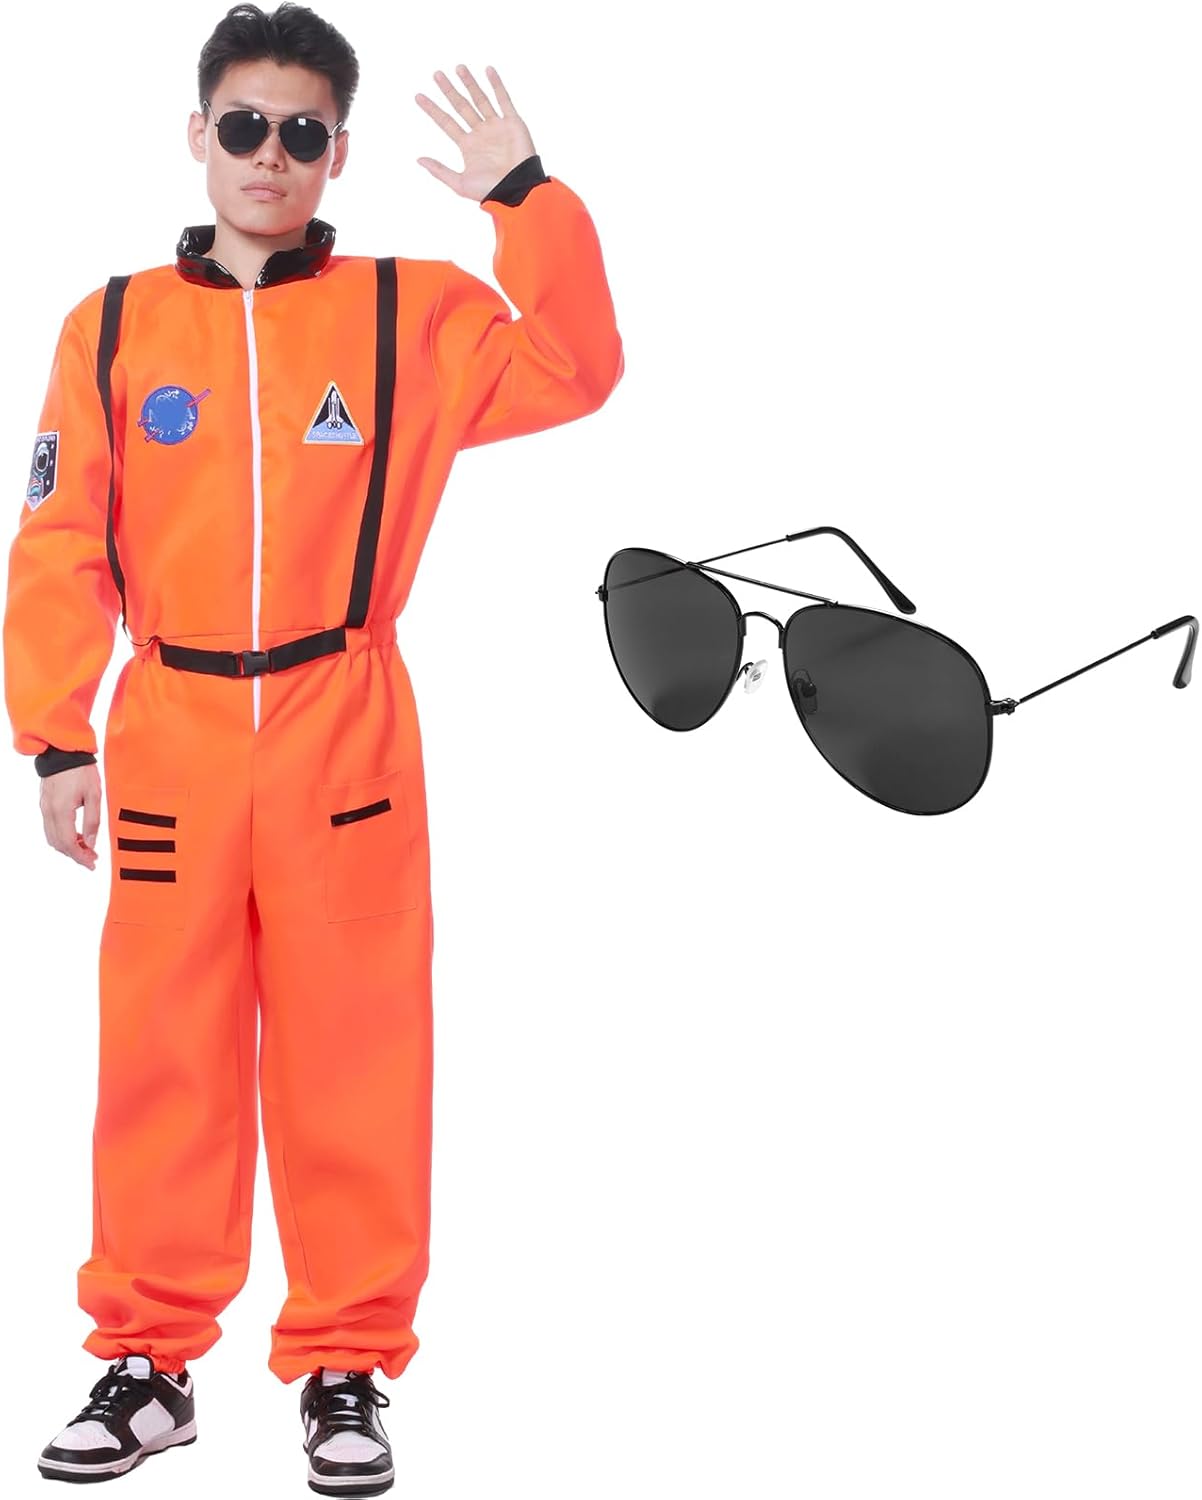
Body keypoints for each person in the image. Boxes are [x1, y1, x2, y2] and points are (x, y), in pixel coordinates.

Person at [3, 3, 624, 1491]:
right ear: (198, 136)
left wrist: (525, 197)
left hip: (344, 722)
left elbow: (577, 365)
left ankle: (346, 1364)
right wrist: (54, 734)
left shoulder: (414, 316)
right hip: (169, 728)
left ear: (337, 152)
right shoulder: (108, 327)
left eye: (301, 132)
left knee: (358, 1045)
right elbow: (61, 536)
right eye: (244, 126)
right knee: (162, 1050)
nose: (269, 155)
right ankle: (148, 1361)